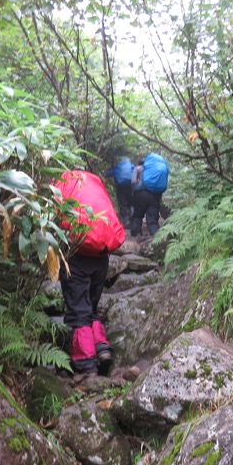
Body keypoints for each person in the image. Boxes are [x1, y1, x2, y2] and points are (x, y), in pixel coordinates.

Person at [54, 170, 124, 376]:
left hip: (77, 254)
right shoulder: (94, 182)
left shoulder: (60, 184)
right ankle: (101, 348)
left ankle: (85, 363)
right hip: (101, 254)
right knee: (91, 307)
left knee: (78, 311)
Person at [130, 153, 168, 237]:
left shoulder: (138, 168)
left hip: (140, 194)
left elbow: (133, 182)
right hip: (154, 195)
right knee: (153, 219)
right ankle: (155, 239)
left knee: (137, 216)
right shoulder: (155, 170)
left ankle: (137, 235)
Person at [105, 157, 134, 224]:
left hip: (120, 187)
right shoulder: (132, 166)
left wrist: (110, 168)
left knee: (123, 203)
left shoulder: (118, 167)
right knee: (131, 203)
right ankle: (133, 218)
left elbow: (107, 174)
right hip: (131, 187)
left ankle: (126, 220)